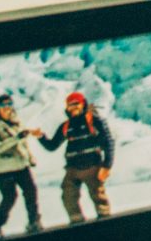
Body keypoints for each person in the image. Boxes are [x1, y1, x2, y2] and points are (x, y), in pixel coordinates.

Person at [38, 91, 115, 225]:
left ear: (83, 104)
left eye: (76, 104)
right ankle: (77, 224)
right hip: (73, 169)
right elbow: (52, 145)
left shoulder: (94, 120)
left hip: (93, 167)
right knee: (68, 196)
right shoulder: (66, 126)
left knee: (99, 197)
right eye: (70, 105)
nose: (73, 107)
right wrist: (41, 137)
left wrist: (106, 166)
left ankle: (106, 225)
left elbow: (108, 142)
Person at [0, 94, 42, 237]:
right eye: (3, 105)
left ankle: (34, 222)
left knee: (31, 192)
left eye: (9, 104)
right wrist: (16, 138)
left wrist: (30, 157)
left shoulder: (16, 122)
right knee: (10, 197)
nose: (7, 108)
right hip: (4, 170)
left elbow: (23, 143)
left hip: (21, 166)